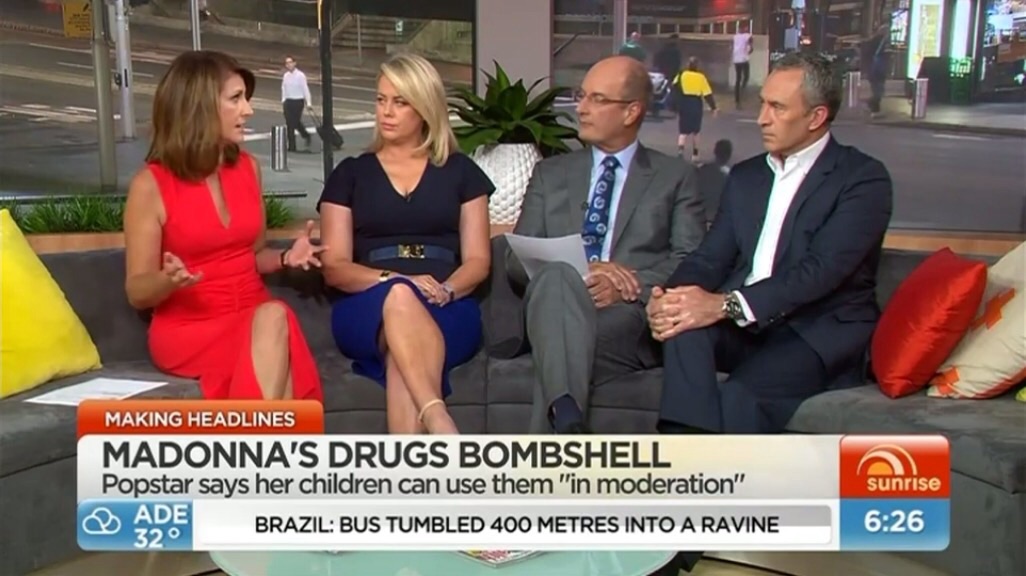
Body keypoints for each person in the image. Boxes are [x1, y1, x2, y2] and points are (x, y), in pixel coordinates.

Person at [651, 51, 893, 436]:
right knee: (683, 328)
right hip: (745, 326)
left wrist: (726, 304)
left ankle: (704, 466)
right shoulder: (747, 176)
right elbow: (711, 257)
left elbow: (821, 271)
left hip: (815, 330)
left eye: (777, 107)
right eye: (763, 103)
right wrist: (671, 298)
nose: (762, 118)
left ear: (816, 117)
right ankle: (687, 455)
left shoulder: (862, 179)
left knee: (740, 396)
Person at [504, 55, 707, 434]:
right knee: (559, 280)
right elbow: (516, 259)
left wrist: (627, 283)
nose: (581, 108)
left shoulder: (675, 177)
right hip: (552, 304)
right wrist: (582, 271)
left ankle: (562, 421)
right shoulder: (550, 173)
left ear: (631, 111)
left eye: (597, 99)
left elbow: (691, 259)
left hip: (623, 318)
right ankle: (567, 425)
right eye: (581, 95)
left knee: (559, 350)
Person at [124, 50, 324, 402]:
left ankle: (253, 435)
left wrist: (285, 257)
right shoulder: (150, 185)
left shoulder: (248, 167)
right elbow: (137, 291)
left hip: (253, 313)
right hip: (190, 329)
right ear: (199, 107)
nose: (248, 110)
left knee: (273, 321)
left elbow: (254, 255)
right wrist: (168, 280)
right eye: (236, 99)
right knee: (276, 322)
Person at [317, 53, 493, 435]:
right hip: (368, 304)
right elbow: (335, 267)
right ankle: (437, 417)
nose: (386, 112)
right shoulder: (350, 174)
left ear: (425, 108)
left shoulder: (462, 172)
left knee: (402, 357)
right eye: (381, 100)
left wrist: (448, 289)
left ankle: (407, 467)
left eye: (400, 102)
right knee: (399, 297)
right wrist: (396, 280)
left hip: (445, 303)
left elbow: (479, 260)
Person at [673, 57, 718, 162]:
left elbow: (674, 87)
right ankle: (695, 154)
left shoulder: (682, 74)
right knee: (696, 131)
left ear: (688, 65)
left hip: (684, 103)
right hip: (696, 104)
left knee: (683, 131)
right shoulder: (701, 77)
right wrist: (713, 108)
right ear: (697, 66)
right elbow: (707, 94)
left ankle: (680, 152)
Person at [695, 139, 733, 225]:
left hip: (700, 217)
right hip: (717, 220)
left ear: (715, 151)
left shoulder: (702, 170)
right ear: (729, 154)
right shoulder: (730, 177)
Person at [281, 55, 313, 153]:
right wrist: (283, 100)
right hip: (288, 101)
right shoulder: (286, 75)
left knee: (294, 123)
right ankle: (294, 143)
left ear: (295, 63)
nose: (288, 65)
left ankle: (302, 137)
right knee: (290, 123)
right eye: (287, 63)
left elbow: (305, 89)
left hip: (298, 101)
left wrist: (309, 102)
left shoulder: (300, 75)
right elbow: (284, 88)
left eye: (290, 62)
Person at [732, 21, 753, 108]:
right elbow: (751, 47)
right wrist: (749, 49)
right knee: (746, 76)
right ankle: (742, 91)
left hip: (736, 59)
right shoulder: (747, 36)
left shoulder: (735, 36)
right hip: (744, 59)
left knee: (738, 78)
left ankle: (737, 98)